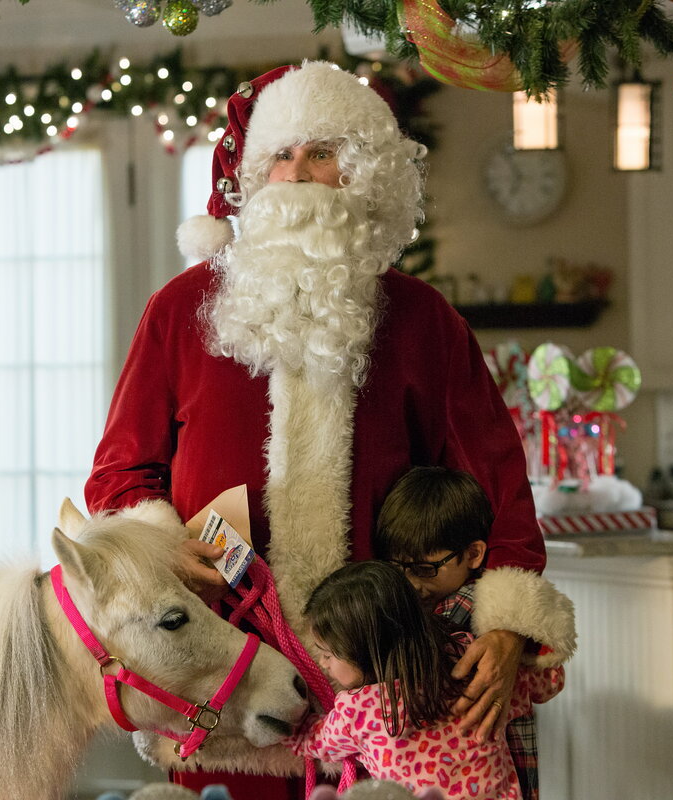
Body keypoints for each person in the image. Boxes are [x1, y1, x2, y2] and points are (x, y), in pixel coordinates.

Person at [85, 60, 547, 795]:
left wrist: (509, 621)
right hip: (223, 680)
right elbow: (119, 476)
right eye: (280, 155)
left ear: (360, 177)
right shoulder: (178, 311)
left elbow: (497, 486)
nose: (296, 175)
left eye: (322, 154)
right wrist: (166, 550)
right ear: (254, 177)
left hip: (387, 697)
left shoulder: (425, 321)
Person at [373, 466, 575, 800]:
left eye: (425, 569)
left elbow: (547, 681)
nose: (412, 583)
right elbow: (550, 683)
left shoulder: (465, 611)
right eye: (400, 569)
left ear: (474, 554)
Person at [287, 561, 564, 798]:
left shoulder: (357, 711)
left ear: (366, 649)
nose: (323, 664)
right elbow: (548, 682)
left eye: (328, 654)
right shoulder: (468, 660)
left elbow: (311, 741)